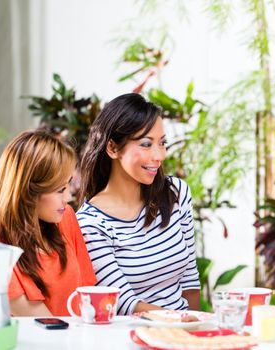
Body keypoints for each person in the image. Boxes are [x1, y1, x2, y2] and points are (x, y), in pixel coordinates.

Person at [76, 93, 200, 315]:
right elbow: (123, 303)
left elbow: (190, 280)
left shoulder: (175, 193)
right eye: (146, 144)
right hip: (131, 337)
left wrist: (198, 333)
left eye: (162, 143)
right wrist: (180, 323)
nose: (159, 155)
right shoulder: (90, 224)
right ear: (113, 148)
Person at [0, 130, 97, 316]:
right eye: (60, 189)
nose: (69, 197)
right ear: (28, 194)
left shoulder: (65, 217)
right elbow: (43, 325)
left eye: (69, 184)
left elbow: (89, 296)